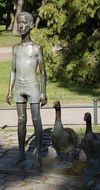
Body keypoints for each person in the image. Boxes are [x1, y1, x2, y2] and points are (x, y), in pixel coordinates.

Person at [6, 12, 47, 168]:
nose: (21, 25)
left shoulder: (37, 48)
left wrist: (43, 92)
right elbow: (13, 70)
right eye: (18, 22)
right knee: (21, 120)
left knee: (36, 119)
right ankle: (21, 154)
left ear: (31, 25)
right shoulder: (15, 48)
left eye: (24, 23)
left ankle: (38, 154)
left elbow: (43, 71)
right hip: (19, 87)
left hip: (32, 86)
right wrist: (9, 89)